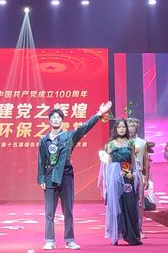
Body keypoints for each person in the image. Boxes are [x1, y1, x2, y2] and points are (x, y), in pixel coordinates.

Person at [37, 101, 113, 251]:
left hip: (65, 176)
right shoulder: (44, 140)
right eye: (53, 118)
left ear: (62, 120)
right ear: (49, 121)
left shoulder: (69, 136)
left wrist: (98, 114)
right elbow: (41, 160)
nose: (56, 120)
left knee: (68, 211)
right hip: (50, 177)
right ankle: (50, 240)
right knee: (49, 212)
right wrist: (41, 178)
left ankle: (69, 240)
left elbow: (84, 127)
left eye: (58, 117)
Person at [100, 119, 142, 246]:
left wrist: (133, 173)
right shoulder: (110, 144)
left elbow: (133, 161)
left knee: (131, 205)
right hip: (115, 177)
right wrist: (113, 175)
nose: (122, 129)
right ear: (115, 129)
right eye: (119, 127)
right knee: (116, 205)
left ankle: (132, 235)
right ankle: (116, 234)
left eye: (124, 127)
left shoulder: (131, 143)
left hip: (128, 176)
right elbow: (107, 164)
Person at [127, 118, 148, 234]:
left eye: (132, 127)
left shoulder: (142, 142)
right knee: (127, 201)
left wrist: (147, 179)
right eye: (128, 126)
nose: (130, 129)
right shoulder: (122, 142)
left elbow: (146, 162)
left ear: (136, 128)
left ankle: (139, 228)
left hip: (138, 174)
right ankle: (128, 227)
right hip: (125, 174)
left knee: (139, 202)